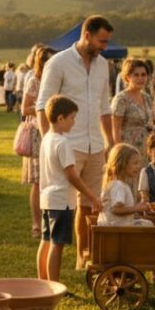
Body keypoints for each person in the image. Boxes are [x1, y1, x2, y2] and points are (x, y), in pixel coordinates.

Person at [37, 15, 115, 269]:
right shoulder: (58, 63)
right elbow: (42, 105)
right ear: (87, 35)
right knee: (62, 208)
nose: (105, 46)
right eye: (102, 41)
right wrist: (50, 140)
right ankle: (56, 267)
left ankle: (84, 257)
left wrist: (111, 142)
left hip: (96, 145)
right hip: (67, 145)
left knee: (90, 204)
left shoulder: (103, 65)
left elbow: (105, 106)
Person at [37, 96, 102, 282]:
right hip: (62, 200)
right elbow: (72, 175)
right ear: (60, 118)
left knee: (46, 240)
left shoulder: (47, 139)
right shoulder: (63, 143)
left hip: (47, 198)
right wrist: (92, 196)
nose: (74, 122)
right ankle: (53, 285)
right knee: (57, 244)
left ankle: (42, 281)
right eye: (72, 118)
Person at [22, 46, 54, 239]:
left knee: (54, 179)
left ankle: (50, 220)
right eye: (45, 61)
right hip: (37, 133)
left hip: (57, 130)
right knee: (38, 181)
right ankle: (36, 224)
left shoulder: (58, 79)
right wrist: (46, 110)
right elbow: (25, 108)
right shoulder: (34, 80)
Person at [97, 143, 153, 227]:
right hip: (115, 227)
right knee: (148, 226)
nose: (138, 166)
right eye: (135, 163)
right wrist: (137, 208)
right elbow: (116, 209)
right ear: (122, 164)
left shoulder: (119, 184)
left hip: (116, 225)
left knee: (147, 223)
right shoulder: (119, 186)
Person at [111, 58, 155, 155]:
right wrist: (119, 151)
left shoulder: (147, 98)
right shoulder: (121, 99)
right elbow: (115, 128)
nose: (140, 78)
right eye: (136, 75)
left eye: (143, 75)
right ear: (127, 77)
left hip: (146, 149)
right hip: (128, 150)